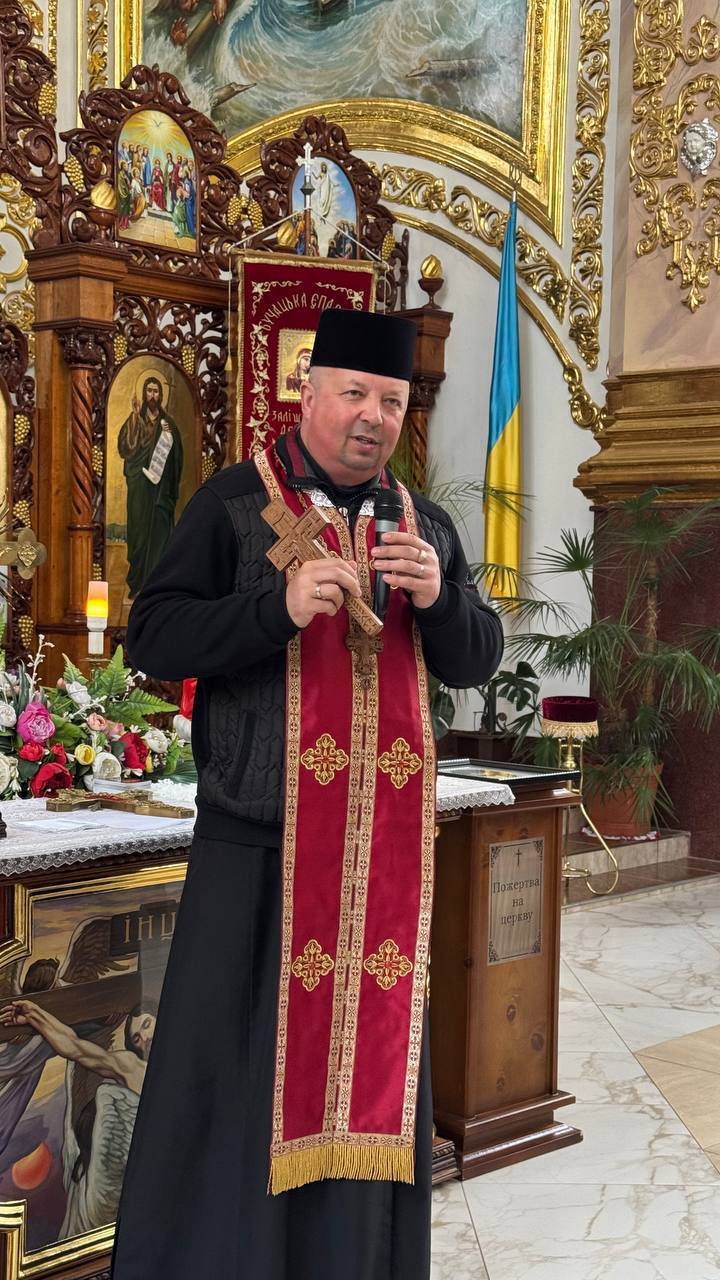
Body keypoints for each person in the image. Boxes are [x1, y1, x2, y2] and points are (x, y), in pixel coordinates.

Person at [109, 308, 503, 1280]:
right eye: (355, 393)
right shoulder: (236, 504)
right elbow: (153, 635)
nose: (373, 416)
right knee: (235, 1086)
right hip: (258, 855)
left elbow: (476, 657)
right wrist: (274, 608)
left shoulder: (424, 525)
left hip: (380, 867)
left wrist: (441, 600)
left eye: (392, 401)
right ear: (311, 391)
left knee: (367, 1084)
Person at [117, 376, 184, 598]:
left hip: (159, 492)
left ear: (161, 395)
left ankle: (155, 587)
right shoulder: (135, 419)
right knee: (138, 533)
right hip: (139, 487)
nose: (152, 395)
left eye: (156, 391)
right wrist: (135, 418)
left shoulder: (168, 424)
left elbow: (177, 459)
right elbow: (126, 449)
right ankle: (137, 583)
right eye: (149, 391)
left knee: (158, 536)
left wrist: (168, 437)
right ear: (144, 394)